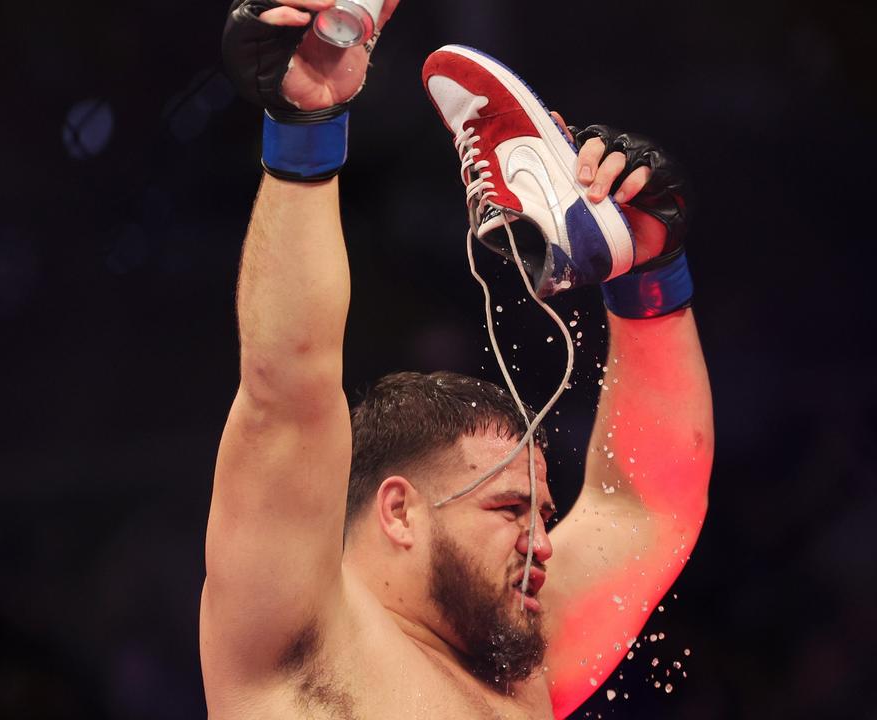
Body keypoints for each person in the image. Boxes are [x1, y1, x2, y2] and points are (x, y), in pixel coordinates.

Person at [202, 1, 713, 718]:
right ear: (401, 511)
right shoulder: (306, 649)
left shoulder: (518, 669)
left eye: (541, 512)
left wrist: (652, 279)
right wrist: (304, 128)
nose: (543, 542)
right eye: (509, 508)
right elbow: (287, 391)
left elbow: (647, 506)